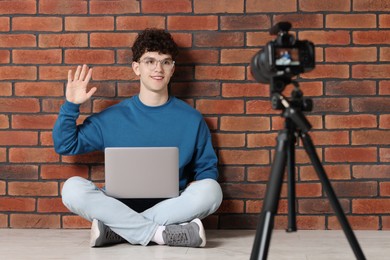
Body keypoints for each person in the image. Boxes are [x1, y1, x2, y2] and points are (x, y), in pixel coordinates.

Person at [53, 28, 223, 248]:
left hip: (171, 207)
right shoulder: (112, 117)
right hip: (117, 205)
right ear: (136, 68)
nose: (158, 68)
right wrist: (71, 105)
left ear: (172, 69)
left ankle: (118, 231)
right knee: (72, 188)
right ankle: (161, 234)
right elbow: (65, 144)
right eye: (150, 61)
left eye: (165, 62)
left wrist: (191, 191)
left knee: (212, 190)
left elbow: (207, 171)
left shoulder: (192, 119)